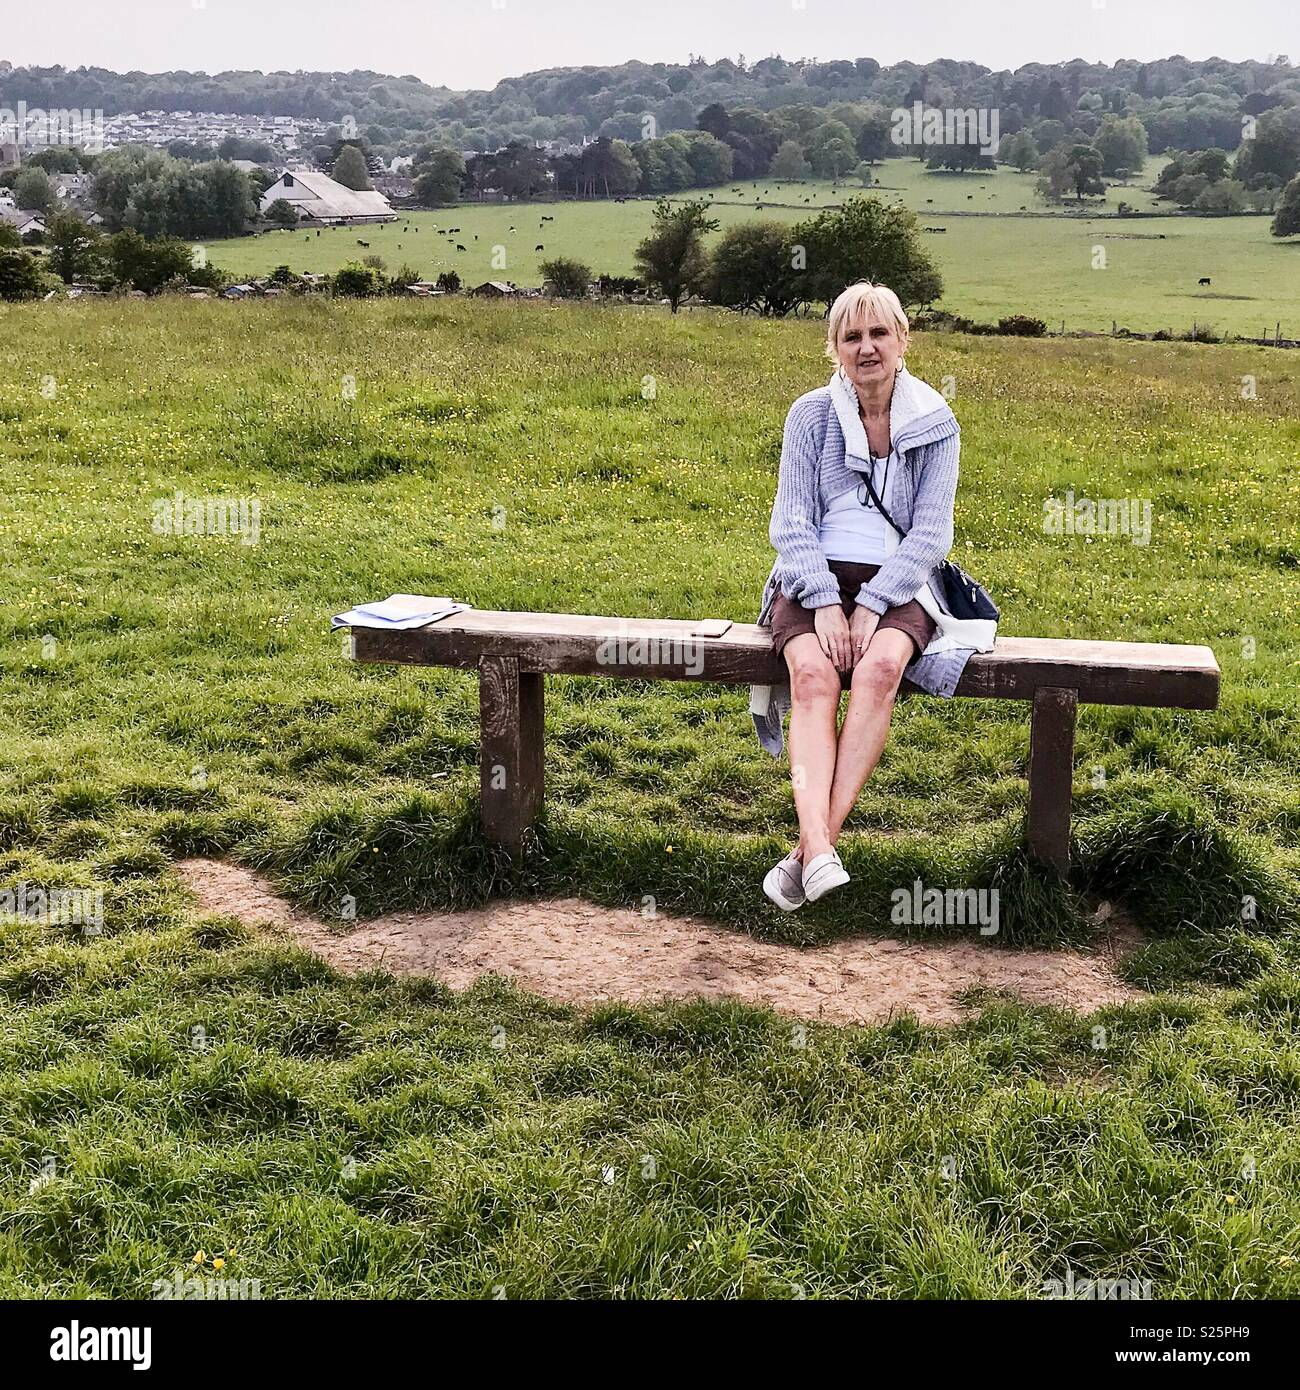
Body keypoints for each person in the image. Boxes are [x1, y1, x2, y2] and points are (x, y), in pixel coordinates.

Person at [748, 281, 997, 910]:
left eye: (878, 333)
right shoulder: (809, 415)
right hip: (812, 577)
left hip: (901, 580)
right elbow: (792, 524)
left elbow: (931, 533)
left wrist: (876, 602)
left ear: (902, 339)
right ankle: (820, 848)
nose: (867, 348)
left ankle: (810, 852)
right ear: (833, 348)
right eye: (852, 337)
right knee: (812, 678)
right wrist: (827, 600)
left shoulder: (936, 423)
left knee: (881, 666)